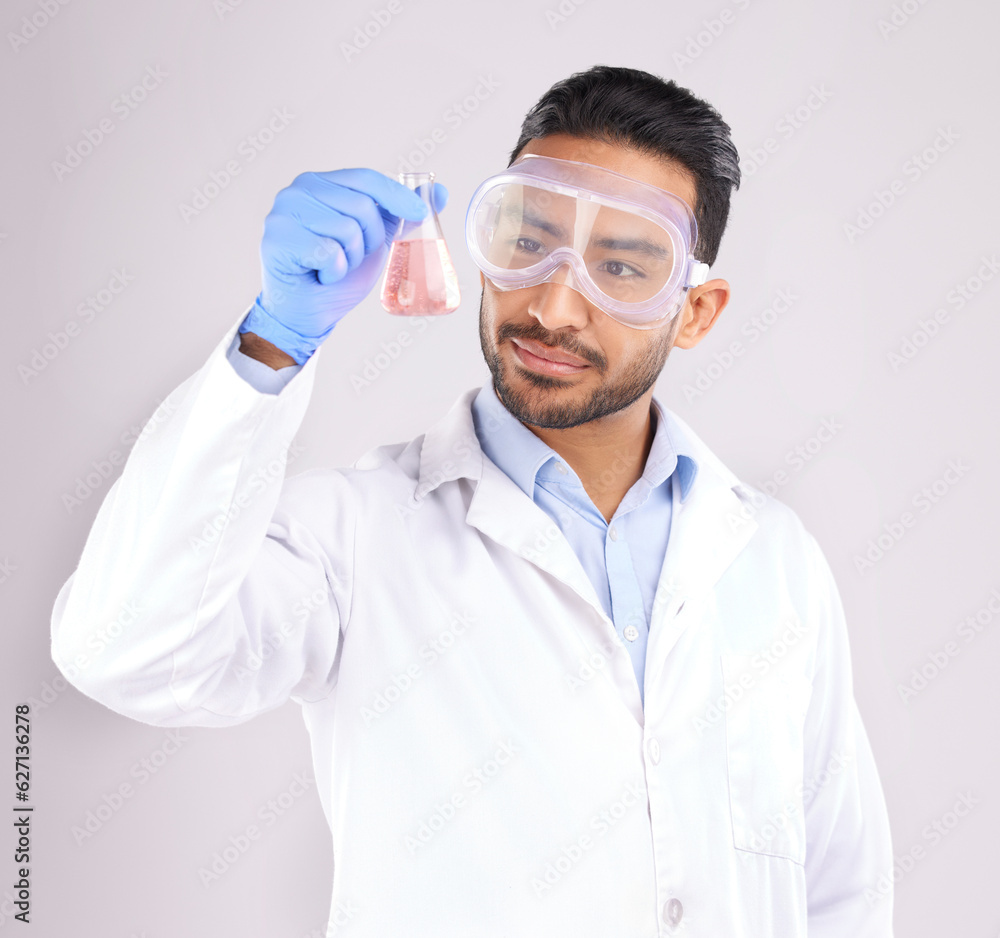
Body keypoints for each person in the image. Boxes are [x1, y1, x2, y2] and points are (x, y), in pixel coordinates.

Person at [51, 65, 894, 936]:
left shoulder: (773, 557)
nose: (556, 304)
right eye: (527, 243)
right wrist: (274, 337)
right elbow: (122, 652)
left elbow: (843, 891)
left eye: (623, 266)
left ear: (697, 312)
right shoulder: (359, 534)